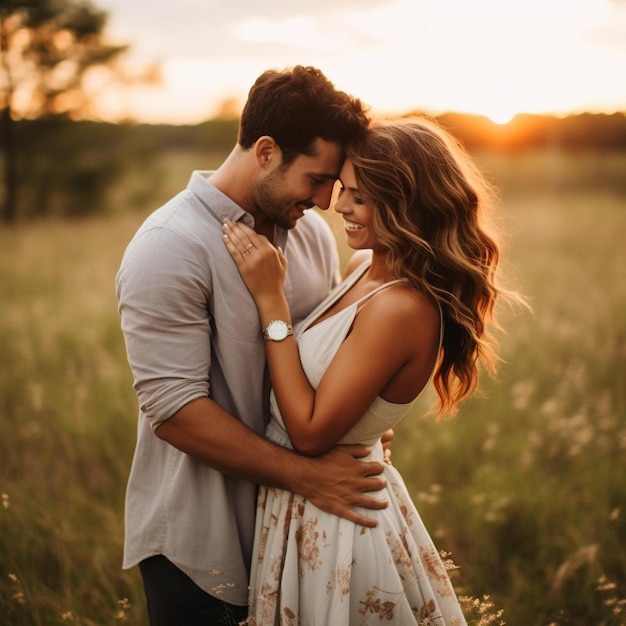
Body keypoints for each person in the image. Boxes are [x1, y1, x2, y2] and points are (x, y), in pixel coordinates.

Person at [115, 66, 391, 626]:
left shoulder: (309, 232)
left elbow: (317, 358)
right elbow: (175, 413)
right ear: (266, 151)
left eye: (332, 184)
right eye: (315, 179)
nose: (323, 200)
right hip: (203, 544)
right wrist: (310, 476)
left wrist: (354, 414)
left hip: (299, 531)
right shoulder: (169, 247)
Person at [222, 115, 517, 624]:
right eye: (342, 188)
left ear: (406, 204)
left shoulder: (402, 308)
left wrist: (272, 301)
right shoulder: (363, 268)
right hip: (306, 504)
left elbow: (311, 434)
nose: (339, 206)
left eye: (358, 196)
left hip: (339, 521)